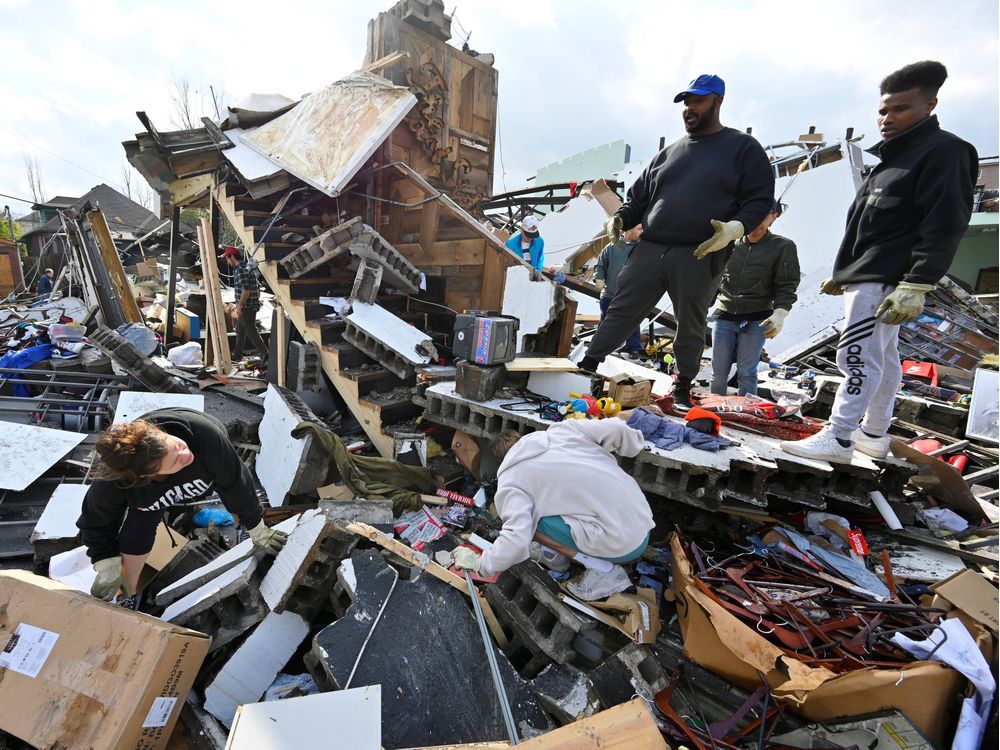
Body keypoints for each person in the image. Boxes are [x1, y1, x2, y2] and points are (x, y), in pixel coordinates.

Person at [781, 61, 977, 463]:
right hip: (869, 275)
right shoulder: (891, 160)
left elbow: (947, 221)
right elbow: (863, 224)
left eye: (900, 109)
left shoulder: (945, 152)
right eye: (883, 110)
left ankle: (838, 436)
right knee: (883, 360)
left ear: (930, 105)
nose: (887, 118)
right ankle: (873, 433)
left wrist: (918, 282)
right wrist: (844, 274)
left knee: (854, 355)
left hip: (888, 279)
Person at [578, 74, 775, 407]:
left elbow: (759, 199)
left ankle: (683, 383)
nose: (689, 108)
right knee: (622, 309)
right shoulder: (669, 153)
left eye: (697, 101)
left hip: (699, 251)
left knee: (690, 322)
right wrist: (621, 218)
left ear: (718, 102)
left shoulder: (743, 149)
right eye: (686, 103)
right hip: (652, 248)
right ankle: (588, 364)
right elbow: (638, 199)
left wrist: (736, 228)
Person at [77, 409, 288, 603]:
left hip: (207, 468)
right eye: (175, 461)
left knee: (236, 501)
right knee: (139, 525)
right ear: (148, 475)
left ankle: (244, 531)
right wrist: (104, 559)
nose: (185, 455)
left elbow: (236, 483)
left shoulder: (205, 438)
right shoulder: (117, 481)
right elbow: (95, 520)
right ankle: (127, 594)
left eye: (177, 446)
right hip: (151, 496)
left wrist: (256, 526)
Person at [450, 418, 655, 601]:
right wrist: (633, 446)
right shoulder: (563, 430)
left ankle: (603, 570)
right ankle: (558, 552)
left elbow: (516, 538)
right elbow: (616, 427)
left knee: (531, 521)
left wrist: (482, 564)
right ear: (521, 438)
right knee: (555, 500)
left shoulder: (511, 480)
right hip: (643, 521)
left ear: (501, 461)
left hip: (623, 545)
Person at [711, 201, 799, 396]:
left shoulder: (783, 246)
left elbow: (787, 284)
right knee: (718, 373)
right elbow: (715, 276)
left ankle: (745, 415)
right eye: (753, 214)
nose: (758, 220)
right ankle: (711, 416)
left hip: (758, 318)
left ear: (774, 216)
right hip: (725, 315)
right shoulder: (729, 243)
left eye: (765, 215)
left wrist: (780, 313)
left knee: (746, 373)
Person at [594, 224, 644, 356]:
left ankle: (633, 347)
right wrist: (598, 278)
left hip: (630, 294)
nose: (642, 232)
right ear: (628, 230)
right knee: (605, 321)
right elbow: (600, 265)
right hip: (609, 294)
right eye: (639, 229)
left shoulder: (640, 249)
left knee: (632, 321)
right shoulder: (611, 248)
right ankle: (599, 346)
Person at [221, 246, 267, 363]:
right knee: (240, 330)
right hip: (250, 305)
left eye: (227, 258)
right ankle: (237, 354)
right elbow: (255, 288)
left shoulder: (240, 270)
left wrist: (240, 305)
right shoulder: (245, 268)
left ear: (231, 256)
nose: (227, 261)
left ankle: (265, 354)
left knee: (251, 330)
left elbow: (246, 290)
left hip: (247, 307)